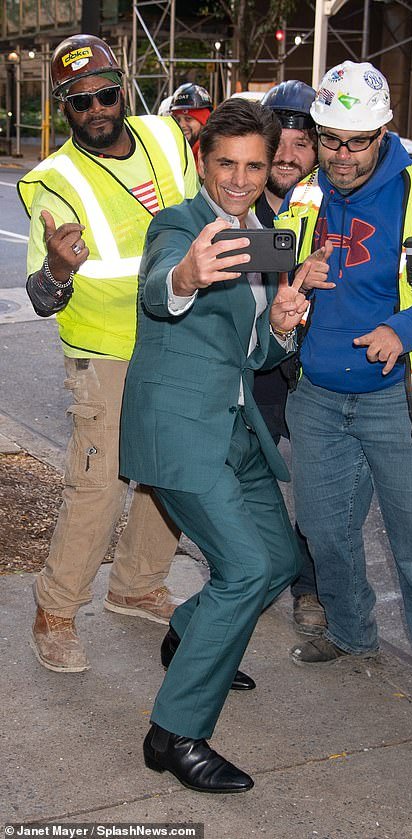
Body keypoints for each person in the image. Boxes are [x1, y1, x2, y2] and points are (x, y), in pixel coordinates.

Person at [118, 98, 329, 793]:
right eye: (227, 164)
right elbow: (160, 286)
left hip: (235, 428)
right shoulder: (179, 224)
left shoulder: (264, 237)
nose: (239, 179)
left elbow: (256, 352)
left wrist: (285, 320)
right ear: (203, 162)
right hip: (181, 430)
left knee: (273, 562)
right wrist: (185, 276)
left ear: (271, 167)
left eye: (254, 165)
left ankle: (187, 630)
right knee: (242, 569)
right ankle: (174, 733)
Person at [277, 61, 412, 734]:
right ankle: (349, 630)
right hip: (318, 395)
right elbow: (277, 273)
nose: (341, 156)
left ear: (383, 133)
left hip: (399, 400)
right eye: (329, 139)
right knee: (324, 527)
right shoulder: (305, 198)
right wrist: (291, 284)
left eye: (356, 141)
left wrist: (401, 330)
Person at [17, 33, 199, 674]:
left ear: (122, 87)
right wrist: (60, 272)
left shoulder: (169, 140)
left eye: (103, 93)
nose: (94, 107)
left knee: (167, 472)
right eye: (77, 100)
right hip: (104, 355)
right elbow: (41, 297)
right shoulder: (53, 181)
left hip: (177, 339)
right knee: (98, 488)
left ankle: (136, 583)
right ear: (62, 107)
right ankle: (56, 611)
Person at [256, 79, 327, 637]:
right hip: (256, 367)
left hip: (311, 369)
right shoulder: (235, 204)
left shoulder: (336, 207)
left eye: (301, 144)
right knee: (246, 477)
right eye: (278, 141)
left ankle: (309, 589)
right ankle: (245, 576)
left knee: (316, 488)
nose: (288, 155)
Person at [169, 83, 212, 159]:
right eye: (177, 120)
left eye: (188, 119)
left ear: (203, 122)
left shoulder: (214, 153)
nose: (181, 125)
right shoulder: (172, 151)